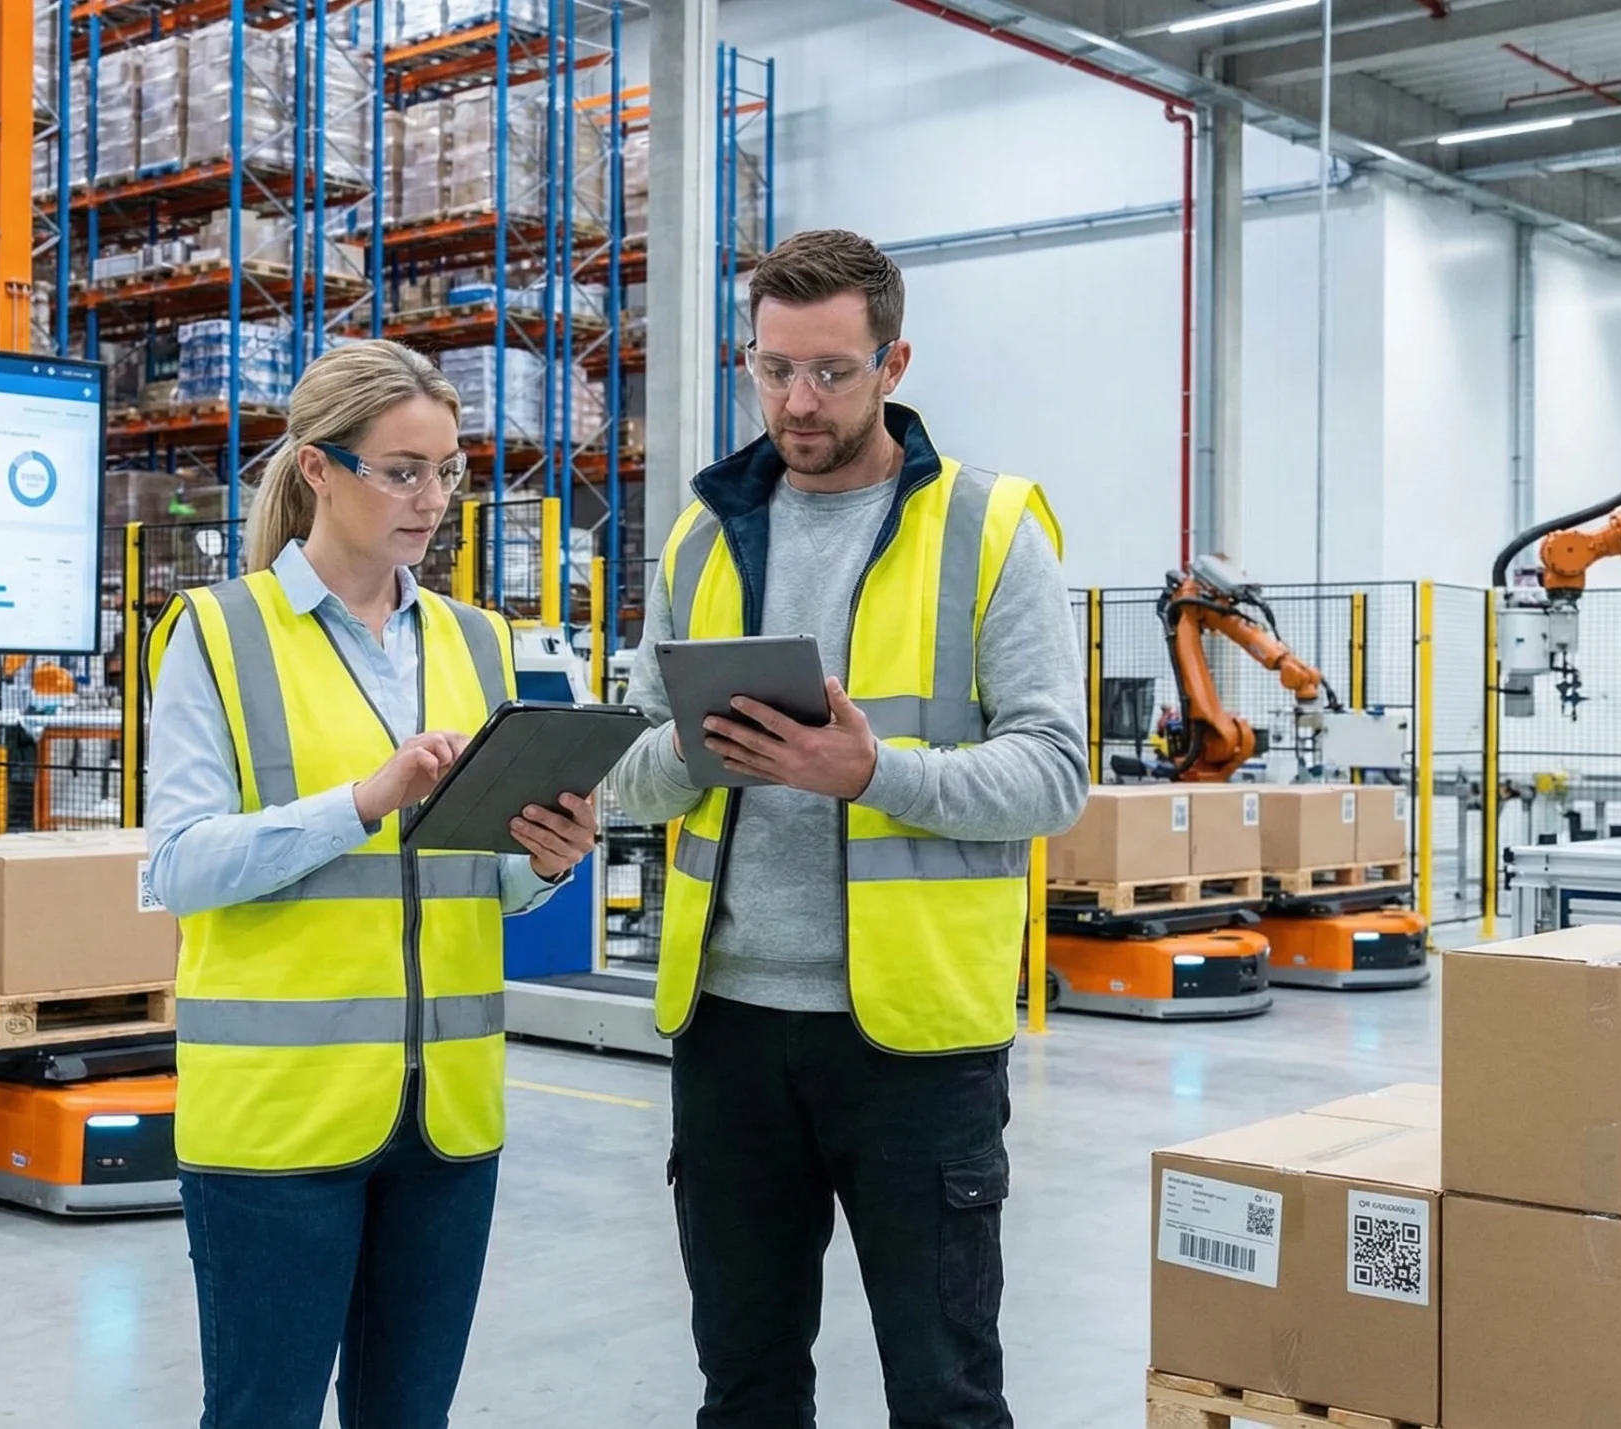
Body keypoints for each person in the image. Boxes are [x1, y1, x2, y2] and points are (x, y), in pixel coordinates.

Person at [610, 229, 1089, 1428]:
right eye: (772, 369)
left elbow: (1053, 775)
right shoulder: (700, 535)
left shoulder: (990, 529)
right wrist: (688, 754)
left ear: (894, 361)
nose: (797, 400)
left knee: (942, 1392)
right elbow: (629, 771)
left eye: (830, 371)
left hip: (913, 1047)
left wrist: (873, 771)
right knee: (747, 1385)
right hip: (725, 1031)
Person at [143, 339, 602, 1429]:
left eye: (448, 470)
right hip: (278, 1122)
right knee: (265, 1413)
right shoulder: (218, 633)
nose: (431, 498)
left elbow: (479, 881)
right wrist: (361, 799)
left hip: (444, 1118)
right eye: (402, 469)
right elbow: (178, 866)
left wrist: (542, 860)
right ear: (318, 469)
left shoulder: (480, 644)